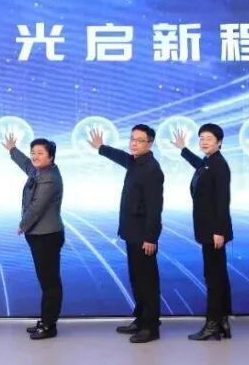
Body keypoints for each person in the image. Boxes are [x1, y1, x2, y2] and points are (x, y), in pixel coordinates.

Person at [89, 124, 164, 344]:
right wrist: (101, 147)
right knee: (137, 279)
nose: (134, 143)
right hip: (132, 232)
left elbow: (155, 208)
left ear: (150, 143)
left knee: (147, 282)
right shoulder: (135, 162)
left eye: (139, 140)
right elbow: (121, 157)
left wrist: (151, 237)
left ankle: (151, 327)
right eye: (132, 139)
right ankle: (141, 319)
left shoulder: (152, 169)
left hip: (144, 236)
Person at [173, 123, 233, 341]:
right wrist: (183, 149)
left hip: (214, 232)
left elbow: (223, 200)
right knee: (217, 276)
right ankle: (222, 321)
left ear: (219, 142)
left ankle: (212, 324)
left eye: (209, 138)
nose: (204, 142)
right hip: (208, 230)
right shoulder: (209, 162)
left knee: (214, 278)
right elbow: (199, 166)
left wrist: (219, 230)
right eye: (201, 138)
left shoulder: (219, 165)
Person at [3, 134, 64, 340]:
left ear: (51, 157)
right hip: (39, 235)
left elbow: (38, 207)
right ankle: (46, 319)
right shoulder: (40, 171)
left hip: (47, 236)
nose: (35, 156)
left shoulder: (49, 178)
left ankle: (49, 325)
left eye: (40, 153)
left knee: (50, 282)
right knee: (45, 280)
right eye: (33, 152)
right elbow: (27, 165)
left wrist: (23, 225)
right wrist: (13, 150)